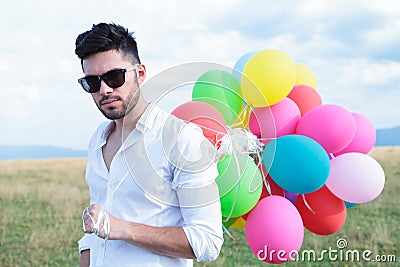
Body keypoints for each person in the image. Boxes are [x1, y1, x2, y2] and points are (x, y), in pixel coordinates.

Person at [75, 23, 223, 267]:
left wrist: (121, 228)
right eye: (92, 82)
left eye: (114, 77)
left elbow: (207, 241)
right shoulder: (98, 139)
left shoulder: (182, 140)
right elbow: (95, 229)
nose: (104, 90)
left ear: (140, 74)